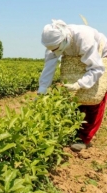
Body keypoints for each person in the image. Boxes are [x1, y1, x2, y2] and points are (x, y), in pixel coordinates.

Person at [38, 19, 107, 152]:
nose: (54, 51)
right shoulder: (53, 44)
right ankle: (75, 131)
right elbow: (49, 67)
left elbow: (97, 68)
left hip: (100, 56)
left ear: (64, 39)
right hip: (77, 58)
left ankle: (84, 138)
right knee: (76, 100)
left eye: (56, 48)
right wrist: (42, 91)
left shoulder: (83, 38)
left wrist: (80, 84)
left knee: (94, 99)